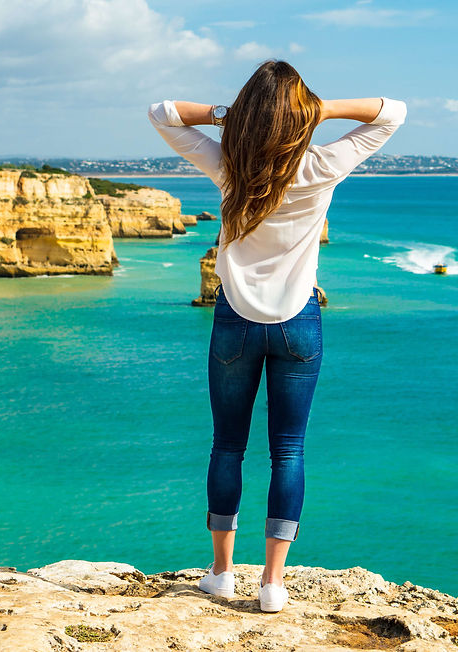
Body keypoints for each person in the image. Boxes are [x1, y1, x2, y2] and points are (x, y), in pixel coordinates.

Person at [148, 60, 406, 613]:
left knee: (227, 446)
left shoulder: (228, 167)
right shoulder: (322, 166)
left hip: (234, 321)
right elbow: (392, 114)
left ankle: (221, 573)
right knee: (288, 451)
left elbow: (163, 114)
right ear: (298, 115)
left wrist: (232, 116)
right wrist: (315, 111)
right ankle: (272, 584)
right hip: (299, 324)